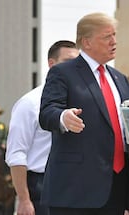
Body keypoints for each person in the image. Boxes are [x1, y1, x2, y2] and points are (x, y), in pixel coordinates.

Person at [39, 12, 129, 215]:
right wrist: (64, 117)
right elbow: (47, 113)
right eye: (107, 37)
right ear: (86, 42)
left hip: (116, 187)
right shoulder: (63, 73)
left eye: (115, 35)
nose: (114, 42)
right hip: (75, 189)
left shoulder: (120, 79)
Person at [6, 40, 79, 215]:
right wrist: (24, 200)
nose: (74, 67)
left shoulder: (82, 100)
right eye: (68, 61)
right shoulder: (30, 104)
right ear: (52, 64)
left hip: (75, 185)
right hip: (40, 186)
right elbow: (16, 154)